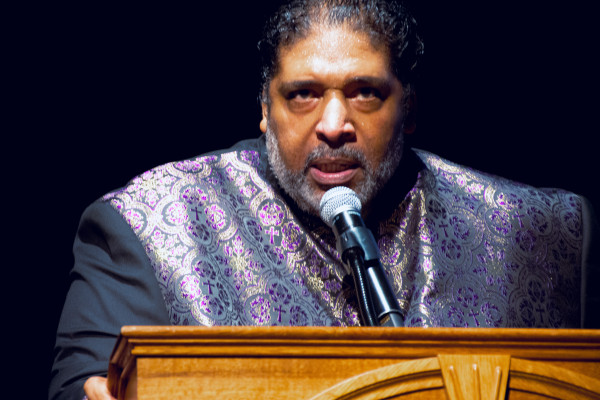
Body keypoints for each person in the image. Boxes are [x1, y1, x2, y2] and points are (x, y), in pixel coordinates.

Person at [49, 0, 600, 399]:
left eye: (365, 92)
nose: (334, 126)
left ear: (408, 110)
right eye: (304, 95)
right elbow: (85, 387)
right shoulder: (146, 226)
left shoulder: (535, 236)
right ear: (265, 108)